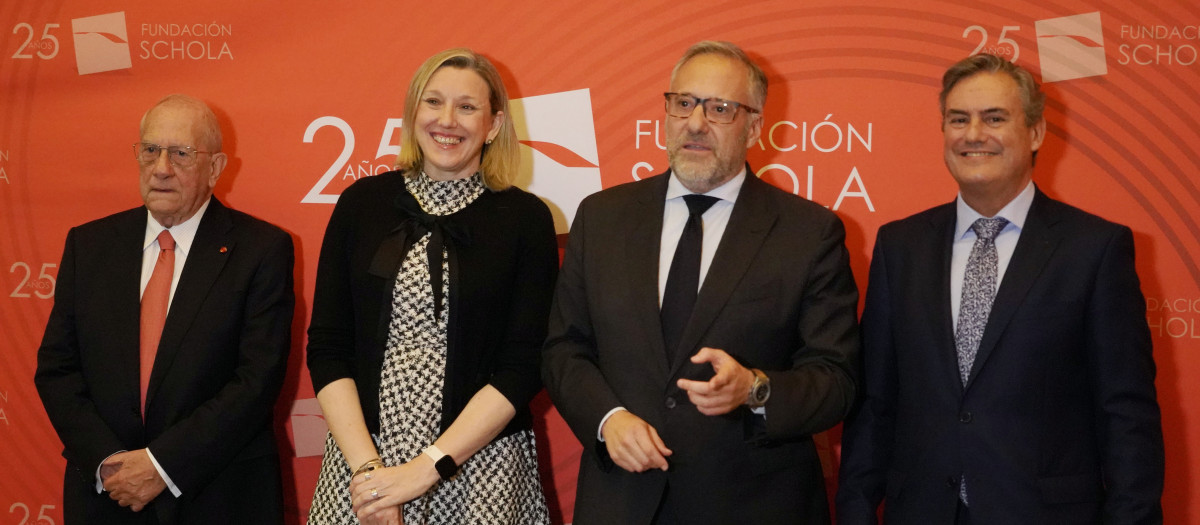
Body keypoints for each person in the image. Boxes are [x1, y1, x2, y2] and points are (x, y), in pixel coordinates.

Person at [836, 54, 1165, 524]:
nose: (973, 135)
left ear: (1034, 132)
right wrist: (855, 512)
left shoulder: (1095, 249)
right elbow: (875, 405)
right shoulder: (899, 246)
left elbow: (1127, 415)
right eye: (958, 119)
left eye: (994, 118)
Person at [542, 40, 860, 524]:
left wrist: (756, 389)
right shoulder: (602, 217)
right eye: (684, 103)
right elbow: (564, 349)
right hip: (621, 503)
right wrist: (608, 420)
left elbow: (836, 380)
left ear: (754, 126)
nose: (695, 123)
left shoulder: (809, 232)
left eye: (720, 109)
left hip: (754, 505)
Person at [306, 48, 557, 525]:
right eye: (433, 102)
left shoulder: (526, 220)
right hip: (363, 465)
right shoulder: (362, 204)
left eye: (467, 107)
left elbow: (522, 366)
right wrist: (371, 477)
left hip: (480, 468)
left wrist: (427, 469)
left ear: (495, 124)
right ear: (412, 113)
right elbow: (328, 346)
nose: (447, 120)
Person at [34, 94, 295, 524]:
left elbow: (256, 381)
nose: (161, 168)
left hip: (217, 496)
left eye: (180, 154)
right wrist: (110, 463)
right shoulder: (90, 245)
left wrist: (160, 465)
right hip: (106, 497)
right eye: (151, 150)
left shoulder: (261, 250)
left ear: (215, 168)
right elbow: (58, 369)